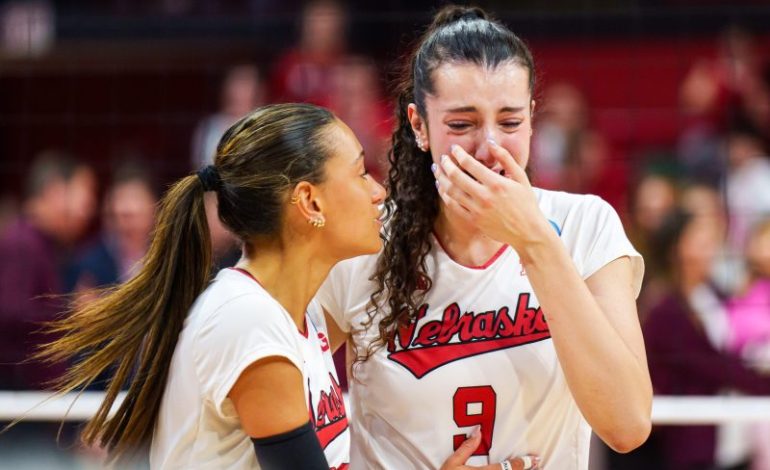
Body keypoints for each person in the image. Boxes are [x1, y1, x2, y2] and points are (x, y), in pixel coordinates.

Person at [316, 6, 652, 469]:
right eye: (461, 124)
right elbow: (282, 412)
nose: (489, 147)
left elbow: (628, 425)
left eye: (510, 123)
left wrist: (535, 242)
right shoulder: (363, 242)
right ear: (419, 126)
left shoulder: (585, 225)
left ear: (533, 118)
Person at [35, 103, 383, 469]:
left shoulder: (296, 312)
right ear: (310, 202)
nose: (377, 191)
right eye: (361, 173)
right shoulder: (249, 320)